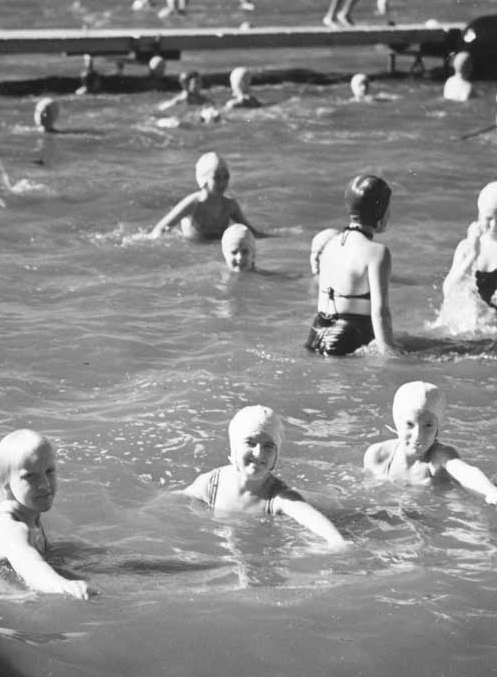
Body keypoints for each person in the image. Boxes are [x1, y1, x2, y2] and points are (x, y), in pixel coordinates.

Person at [183, 405, 346, 546]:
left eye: (268, 446)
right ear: (234, 448)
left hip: (328, 508)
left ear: (276, 455)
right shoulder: (212, 484)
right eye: (250, 443)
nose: (258, 453)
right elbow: (176, 501)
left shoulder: (278, 498)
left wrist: (337, 542)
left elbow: (309, 517)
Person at [0, 429, 88, 599]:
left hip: (0, 561)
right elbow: (31, 566)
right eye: (30, 476)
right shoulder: (11, 529)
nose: (44, 484)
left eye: (49, 471)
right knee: (28, 599)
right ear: (6, 485)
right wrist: (62, 584)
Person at [306, 173, 395, 356]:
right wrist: (389, 354)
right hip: (346, 339)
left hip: (315, 334)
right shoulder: (377, 252)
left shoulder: (330, 243)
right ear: (380, 212)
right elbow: (381, 313)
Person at [364, 381, 497, 503]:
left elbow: (465, 472)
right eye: (410, 424)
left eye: (428, 426)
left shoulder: (439, 457)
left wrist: (491, 492)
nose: (418, 435)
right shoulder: (378, 456)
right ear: (397, 424)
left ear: (437, 430)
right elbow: (369, 494)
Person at [150, 151, 264, 241]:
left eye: (226, 177)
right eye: (216, 178)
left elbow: (251, 232)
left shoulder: (230, 205)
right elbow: (160, 229)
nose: (222, 182)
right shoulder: (193, 204)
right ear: (203, 179)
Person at [438, 181, 497, 326]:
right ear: (479, 216)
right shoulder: (466, 247)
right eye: (489, 218)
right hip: (472, 329)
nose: (494, 225)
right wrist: (472, 255)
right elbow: (448, 291)